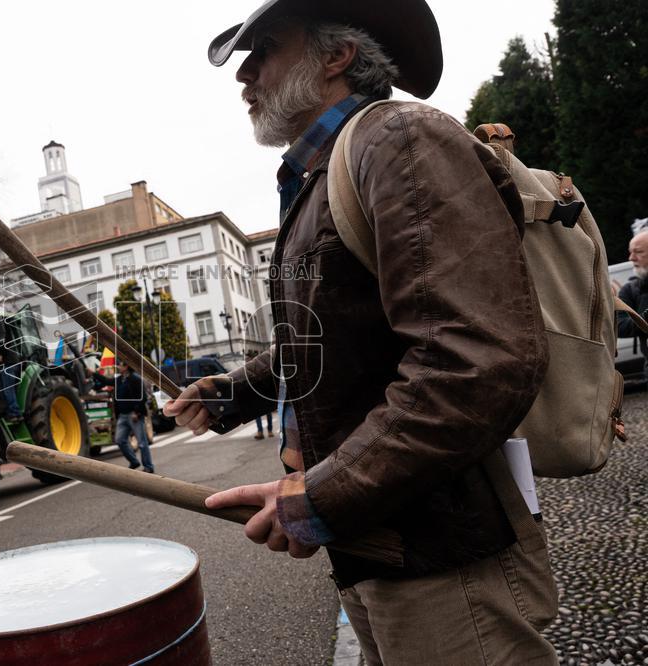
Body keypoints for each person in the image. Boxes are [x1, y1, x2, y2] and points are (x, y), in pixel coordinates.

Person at [164, 2, 559, 663]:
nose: (245, 75)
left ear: (336, 55)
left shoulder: (400, 142)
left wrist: (318, 495)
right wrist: (233, 392)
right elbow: (332, 333)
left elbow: (477, 361)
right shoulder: (323, 172)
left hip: (442, 555)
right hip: (373, 543)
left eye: (261, 50)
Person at [113, 360, 154, 473]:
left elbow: (142, 397)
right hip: (122, 415)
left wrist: (137, 412)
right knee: (120, 440)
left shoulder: (135, 379)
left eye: (120, 364)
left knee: (141, 442)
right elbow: (107, 382)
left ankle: (148, 466)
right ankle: (134, 461)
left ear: (126, 366)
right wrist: (93, 374)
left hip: (134, 415)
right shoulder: (119, 380)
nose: (118, 366)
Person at [617, 230, 648, 378]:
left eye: (638, 252)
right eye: (630, 252)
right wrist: (644, 319)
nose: (631, 258)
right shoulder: (630, 290)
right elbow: (618, 326)